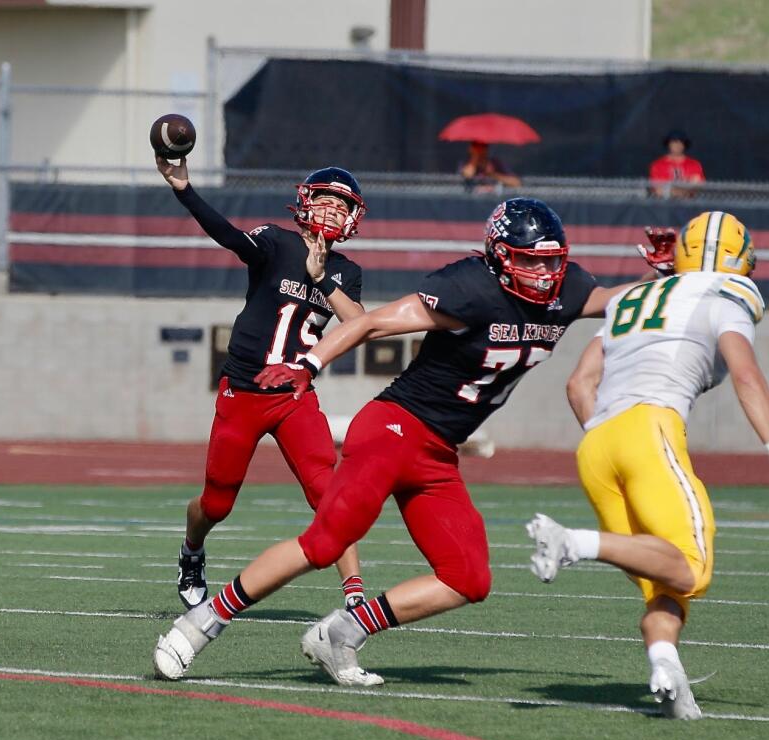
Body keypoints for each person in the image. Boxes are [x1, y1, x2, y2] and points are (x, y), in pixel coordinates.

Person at [153, 197, 646, 687]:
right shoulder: (469, 288)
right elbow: (370, 322)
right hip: (393, 428)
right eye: (528, 260)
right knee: (325, 543)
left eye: (549, 261)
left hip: (437, 452)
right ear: (498, 257)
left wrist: (682, 274)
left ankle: (343, 631)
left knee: (468, 576)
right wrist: (308, 365)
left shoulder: (569, 291)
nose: (541, 274)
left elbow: (630, 299)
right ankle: (200, 623)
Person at [525, 211, 769, 720]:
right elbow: (745, 371)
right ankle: (574, 543)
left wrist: (608, 439)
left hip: (597, 445)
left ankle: (667, 671)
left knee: (665, 581)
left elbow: (578, 384)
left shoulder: (632, 296)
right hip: (648, 428)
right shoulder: (727, 292)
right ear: (737, 260)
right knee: (691, 567)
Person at [157, 155, 369, 611]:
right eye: (325, 202)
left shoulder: (345, 271)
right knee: (216, 504)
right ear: (306, 204)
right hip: (244, 392)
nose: (331, 212)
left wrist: (322, 279)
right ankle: (192, 549)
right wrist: (184, 190)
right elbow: (230, 237)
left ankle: (354, 592)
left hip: (295, 396)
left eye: (341, 205)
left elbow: (359, 325)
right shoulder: (276, 242)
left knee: (328, 492)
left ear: (352, 217)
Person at [648, 130, 705, 199]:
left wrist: (671, 190)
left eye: (681, 142)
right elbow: (659, 191)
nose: (677, 145)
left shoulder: (694, 164)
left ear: (684, 145)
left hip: (689, 204)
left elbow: (698, 186)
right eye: (674, 142)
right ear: (668, 144)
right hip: (664, 205)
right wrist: (686, 188)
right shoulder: (658, 165)